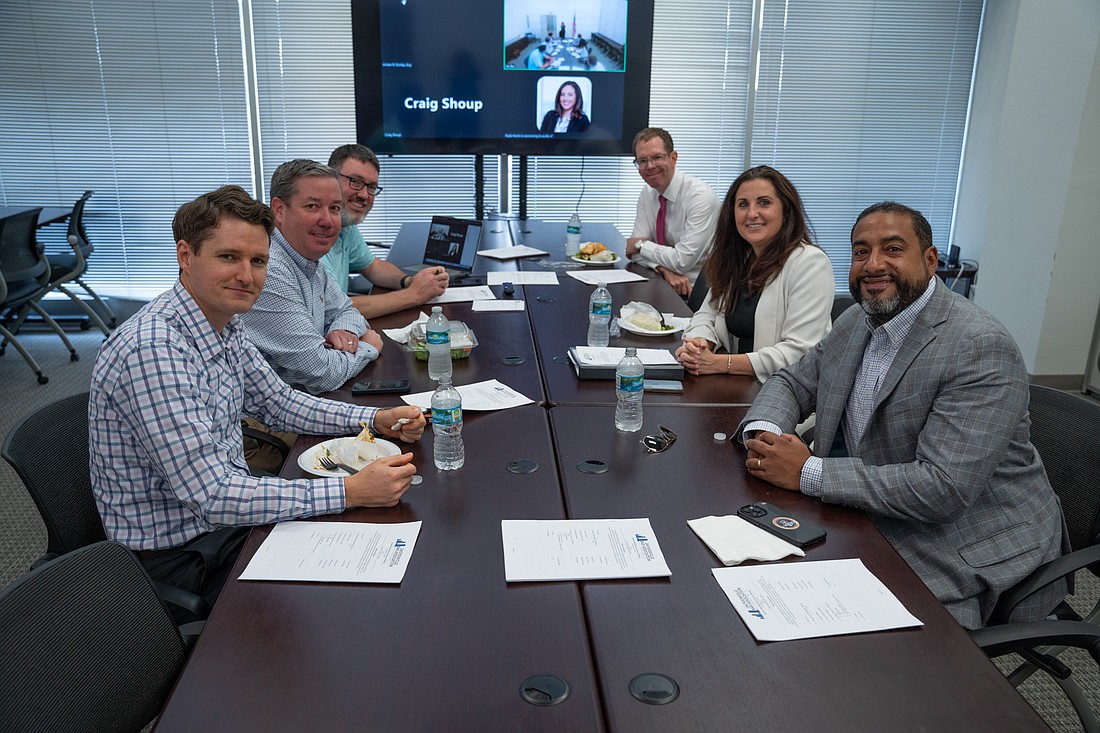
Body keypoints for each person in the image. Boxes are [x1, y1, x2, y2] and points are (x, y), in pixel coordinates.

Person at [89, 185, 425, 611]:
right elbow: (211, 494)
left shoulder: (223, 323)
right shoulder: (154, 349)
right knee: (351, 604)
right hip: (179, 558)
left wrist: (373, 420)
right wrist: (349, 491)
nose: (247, 275)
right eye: (229, 257)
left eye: (258, 261)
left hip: (222, 524)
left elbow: (280, 403)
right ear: (186, 256)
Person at [736, 201, 1068, 629]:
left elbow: (942, 489)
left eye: (892, 249)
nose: (873, 265)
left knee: (852, 640)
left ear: (930, 261)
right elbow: (792, 382)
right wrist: (765, 437)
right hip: (878, 504)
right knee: (758, 579)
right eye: (860, 252)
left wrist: (808, 472)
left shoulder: (978, 346)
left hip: (964, 536)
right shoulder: (856, 318)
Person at [676, 165, 833, 382]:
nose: (752, 213)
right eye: (743, 204)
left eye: (764, 202)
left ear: (786, 212)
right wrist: (699, 345)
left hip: (783, 394)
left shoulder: (810, 263)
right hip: (735, 385)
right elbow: (707, 314)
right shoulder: (738, 258)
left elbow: (801, 353)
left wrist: (720, 363)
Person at [242, 159, 384, 395]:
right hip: (274, 421)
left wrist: (346, 332)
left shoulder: (308, 260)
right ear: (279, 210)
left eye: (335, 208)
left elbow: (347, 310)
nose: (327, 221)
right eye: (312, 207)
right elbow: (322, 372)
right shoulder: (269, 270)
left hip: (304, 404)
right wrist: (368, 345)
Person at [322, 144, 448, 318]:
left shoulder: (346, 226)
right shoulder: (315, 231)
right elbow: (334, 308)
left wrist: (410, 281)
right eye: (355, 182)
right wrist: (414, 294)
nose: (364, 195)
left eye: (372, 187)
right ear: (331, 178)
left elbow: (372, 266)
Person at [626, 127, 719, 296]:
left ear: (673, 157)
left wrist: (641, 245)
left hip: (698, 292)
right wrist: (663, 269)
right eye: (642, 161)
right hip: (662, 281)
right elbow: (634, 254)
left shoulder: (700, 198)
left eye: (657, 157)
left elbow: (681, 262)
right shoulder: (648, 193)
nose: (650, 166)